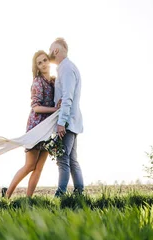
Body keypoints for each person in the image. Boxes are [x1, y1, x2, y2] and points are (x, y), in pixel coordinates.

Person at [3, 51, 61, 198]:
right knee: (30, 165)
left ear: (49, 61)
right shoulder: (37, 82)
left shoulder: (55, 82)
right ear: (36, 67)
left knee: (39, 168)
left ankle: (28, 200)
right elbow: (35, 107)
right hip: (36, 127)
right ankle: (7, 195)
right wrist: (55, 109)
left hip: (48, 129)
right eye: (39, 63)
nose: (43, 64)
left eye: (45, 60)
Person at [49, 37, 84, 197]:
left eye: (51, 50)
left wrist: (61, 123)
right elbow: (65, 96)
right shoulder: (68, 68)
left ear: (57, 50)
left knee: (63, 159)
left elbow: (68, 97)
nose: (50, 53)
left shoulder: (66, 69)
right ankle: (79, 192)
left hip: (68, 122)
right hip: (73, 121)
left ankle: (60, 194)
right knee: (72, 159)